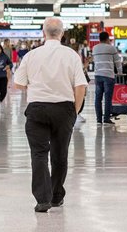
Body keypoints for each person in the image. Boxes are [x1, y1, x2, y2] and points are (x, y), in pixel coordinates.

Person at [14, 17, 87, 212]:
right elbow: (80, 86)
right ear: (62, 33)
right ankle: (56, 196)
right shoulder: (71, 55)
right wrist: (75, 110)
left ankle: (42, 199)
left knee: (39, 154)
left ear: (43, 33)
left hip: (37, 109)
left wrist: (36, 84)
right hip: (64, 109)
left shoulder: (31, 55)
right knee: (59, 154)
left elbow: (19, 84)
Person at [92, 31, 122, 125]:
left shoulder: (95, 48)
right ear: (107, 38)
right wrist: (120, 72)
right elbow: (117, 62)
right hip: (108, 75)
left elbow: (94, 61)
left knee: (98, 98)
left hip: (98, 75)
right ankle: (106, 118)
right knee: (107, 98)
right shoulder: (111, 48)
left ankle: (98, 119)